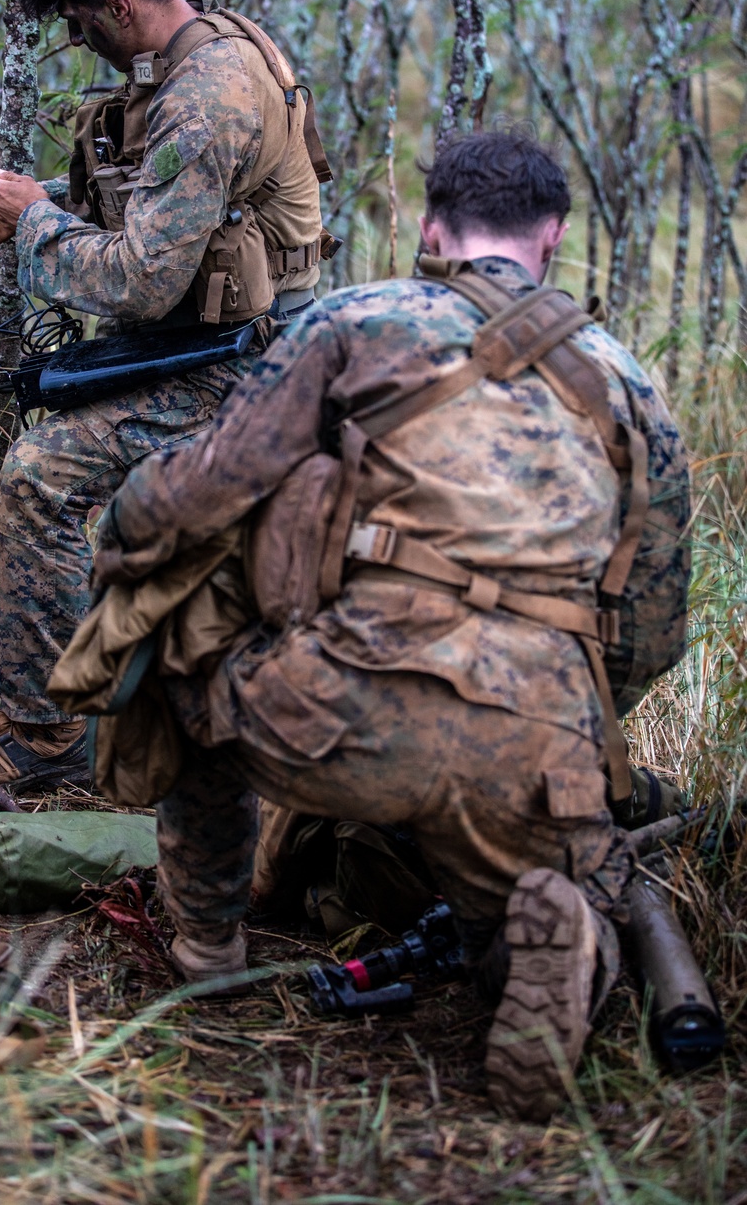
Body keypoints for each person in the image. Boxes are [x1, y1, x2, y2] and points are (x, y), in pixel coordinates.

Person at [86, 130, 690, 1120]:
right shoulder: (630, 385)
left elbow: (204, 491)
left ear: (430, 229)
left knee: (183, 657)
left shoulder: (358, 318)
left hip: (343, 706)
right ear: (552, 239)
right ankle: (548, 947)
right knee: (507, 913)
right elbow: (654, 629)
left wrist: (127, 534)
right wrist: (570, 731)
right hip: (537, 741)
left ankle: (208, 949)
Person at [0, 0, 332, 789]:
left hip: (242, 367)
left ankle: (44, 745)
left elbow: (141, 281)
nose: (82, 47)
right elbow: (160, 236)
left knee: (38, 476)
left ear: (118, 5)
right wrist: (35, 216)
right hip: (208, 343)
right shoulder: (192, 52)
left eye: (78, 28)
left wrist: (34, 227)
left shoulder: (204, 98)